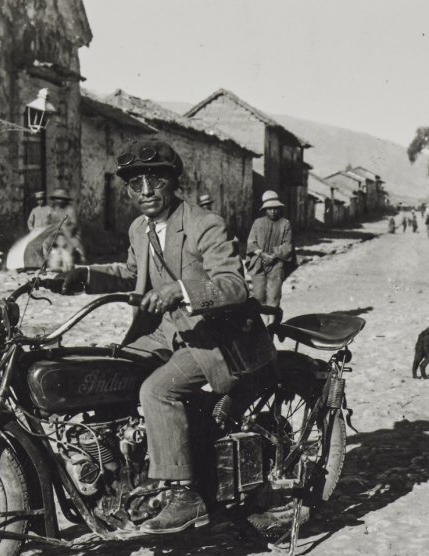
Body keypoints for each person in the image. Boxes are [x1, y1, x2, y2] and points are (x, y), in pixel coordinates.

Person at [56, 139, 274, 534]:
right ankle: (120, 469)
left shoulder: (203, 223)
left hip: (214, 337)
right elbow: (130, 273)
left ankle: (184, 495)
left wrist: (181, 291)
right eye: (134, 184)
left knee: (157, 390)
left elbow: (234, 285)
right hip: (163, 332)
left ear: (173, 182)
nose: (144, 192)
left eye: (154, 181)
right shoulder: (139, 228)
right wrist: (83, 276)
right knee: (104, 372)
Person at [246, 191, 294, 325]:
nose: (273, 211)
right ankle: (263, 323)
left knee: (274, 295)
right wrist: (262, 254)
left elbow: (287, 245)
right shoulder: (258, 223)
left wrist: (274, 255)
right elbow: (251, 242)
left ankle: (272, 324)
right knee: (259, 295)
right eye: (269, 208)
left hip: (276, 264)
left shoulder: (285, 224)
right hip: (258, 263)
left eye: (275, 208)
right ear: (265, 209)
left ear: (279, 208)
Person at [47, 189, 87, 263]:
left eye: (61, 199)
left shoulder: (70, 210)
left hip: (70, 233)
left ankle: (80, 255)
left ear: (65, 200)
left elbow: (74, 224)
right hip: (57, 233)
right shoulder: (53, 211)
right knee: (48, 242)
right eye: (57, 198)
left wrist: (65, 228)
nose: (59, 201)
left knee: (73, 244)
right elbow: (50, 223)